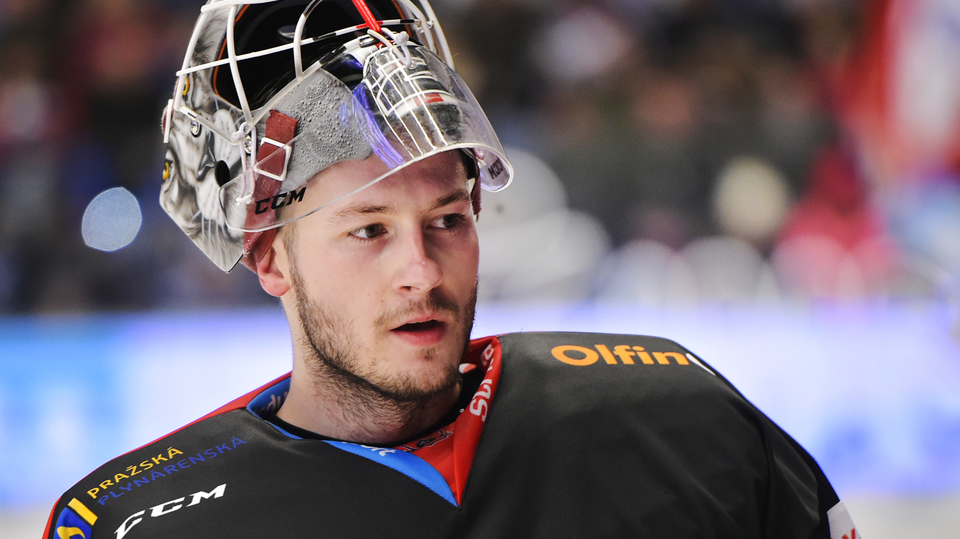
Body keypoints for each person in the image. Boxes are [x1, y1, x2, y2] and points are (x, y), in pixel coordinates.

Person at [45, 1, 860, 537]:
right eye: (369, 230)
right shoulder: (131, 521)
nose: (421, 271)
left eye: (447, 221)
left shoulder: (683, 417)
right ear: (270, 258)